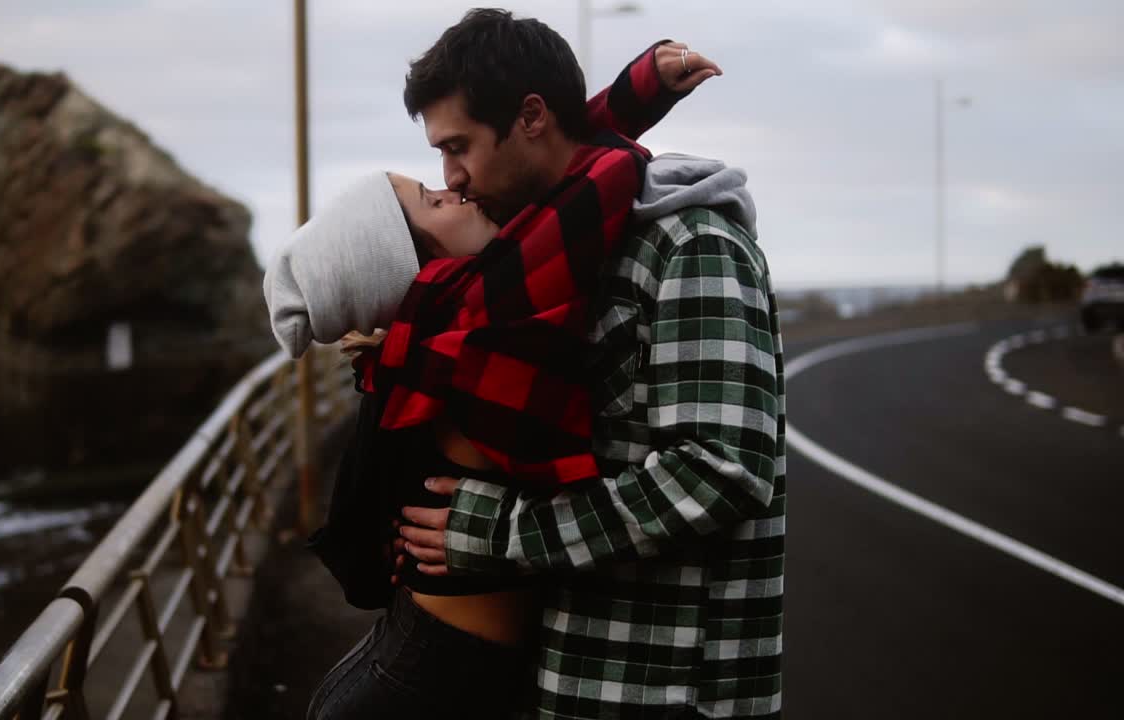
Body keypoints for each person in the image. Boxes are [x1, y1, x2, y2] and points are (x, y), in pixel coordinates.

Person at [263, 11, 719, 719]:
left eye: (453, 157)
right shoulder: (480, 312)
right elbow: (588, 176)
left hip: (417, 660)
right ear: (419, 264)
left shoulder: (444, 320)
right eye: (433, 198)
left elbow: (556, 160)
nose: (455, 184)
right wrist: (635, 93)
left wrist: (634, 93)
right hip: (431, 680)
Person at [393, 10, 787, 720]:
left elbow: (722, 470)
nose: (449, 176)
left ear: (533, 117)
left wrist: (502, 532)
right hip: (570, 676)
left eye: (459, 146)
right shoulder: (554, 241)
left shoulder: (691, 243)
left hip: (671, 690)